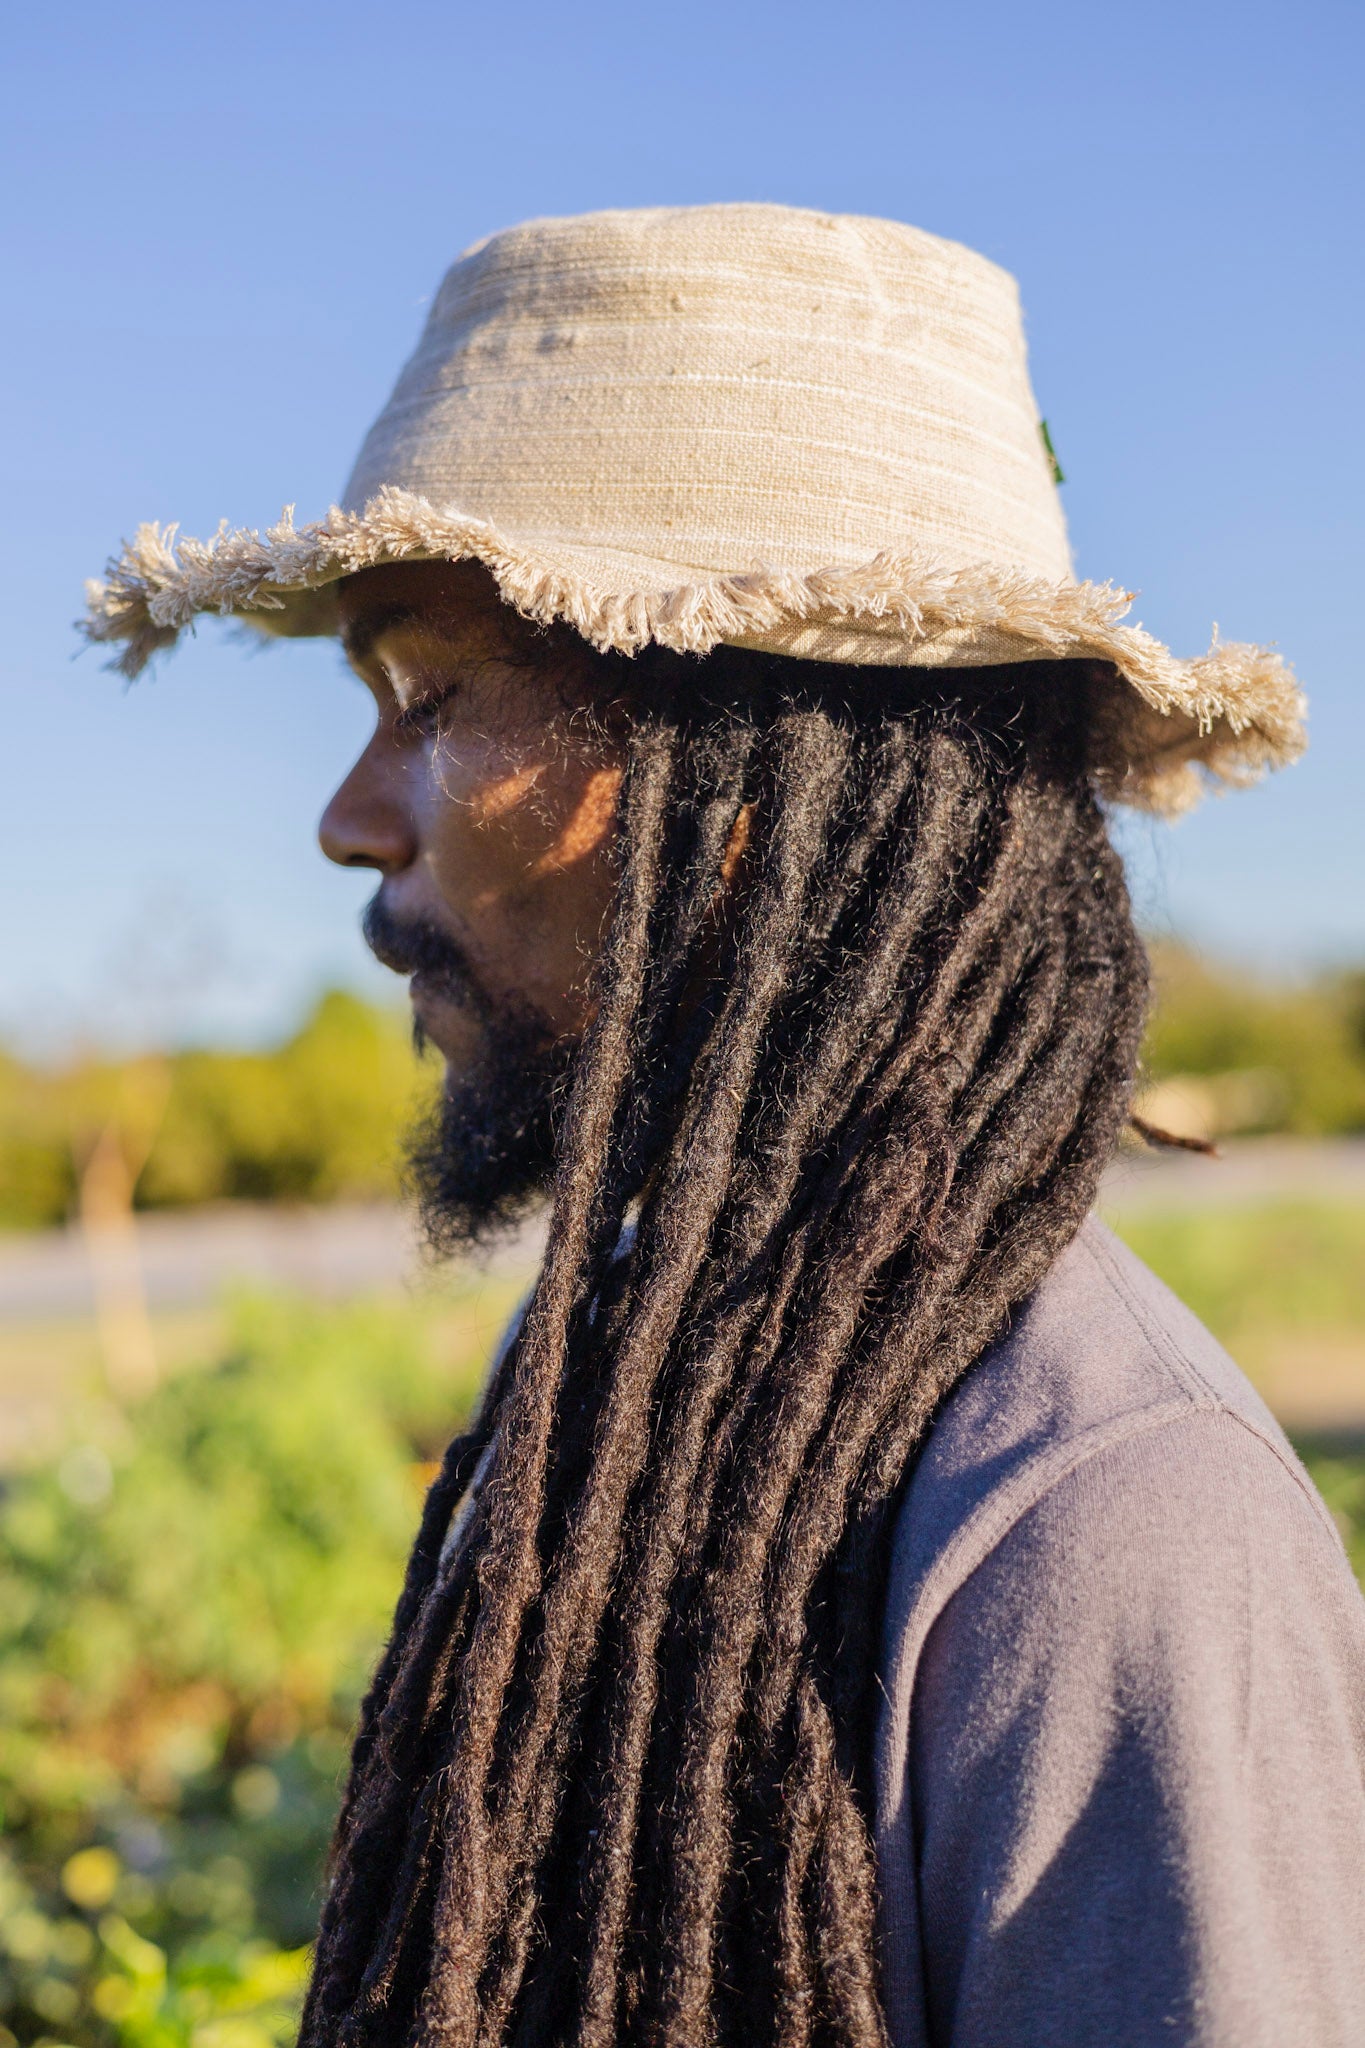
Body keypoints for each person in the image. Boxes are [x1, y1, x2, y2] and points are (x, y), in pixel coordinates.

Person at [86, 204, 1364, 2047]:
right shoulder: (639, 1347)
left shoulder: (1110, 1529)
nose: (353, 820)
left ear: (755, 769)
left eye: (428, 698)